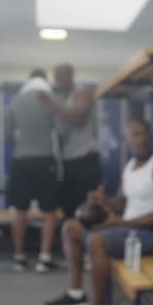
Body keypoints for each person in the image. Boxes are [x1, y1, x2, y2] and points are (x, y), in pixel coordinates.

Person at [44, 117, 153, 305]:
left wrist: (119, 223)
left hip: (152, 236)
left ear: (151, 135)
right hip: (127, 230)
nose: (141, 139)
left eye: (143, 133)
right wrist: (103, 201)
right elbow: (123, 202)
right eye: (134, 135)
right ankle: (76, 292)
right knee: (70, 227)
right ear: (125, 139)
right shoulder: (130, 166)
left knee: (97, 240)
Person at [5, 69, 59, 273]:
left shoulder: (15, 101)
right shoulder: (49, 99)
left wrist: (23, 142)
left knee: (19, 210)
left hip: (21, 160)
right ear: (45, 80)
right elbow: (60, 130)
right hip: (45, 159)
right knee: (49, 211)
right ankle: (44, 258)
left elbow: (7, 134)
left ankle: (19, 257)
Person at [37, 64, 101, 219]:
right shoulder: (62, 99)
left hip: (85, 160)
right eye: (55, 76)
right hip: (69, 161)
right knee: (69, 209)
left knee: (89, 211)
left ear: (70, 76)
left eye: (60, 76)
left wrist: (50, 103)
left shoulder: (81, 92)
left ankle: (91, 241)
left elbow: (78, 118)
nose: (57, 80)